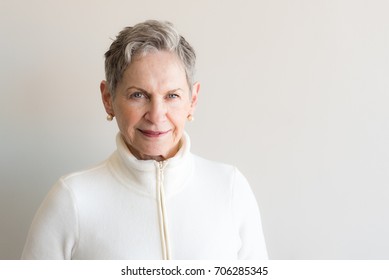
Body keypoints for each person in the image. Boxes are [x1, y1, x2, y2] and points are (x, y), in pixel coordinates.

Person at [21, 20, 268, 260]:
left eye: (172, 95)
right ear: (108, 99)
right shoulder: (72, 199)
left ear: (192, 100)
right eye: (138, 94)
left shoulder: (230, 189)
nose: (156, 115)